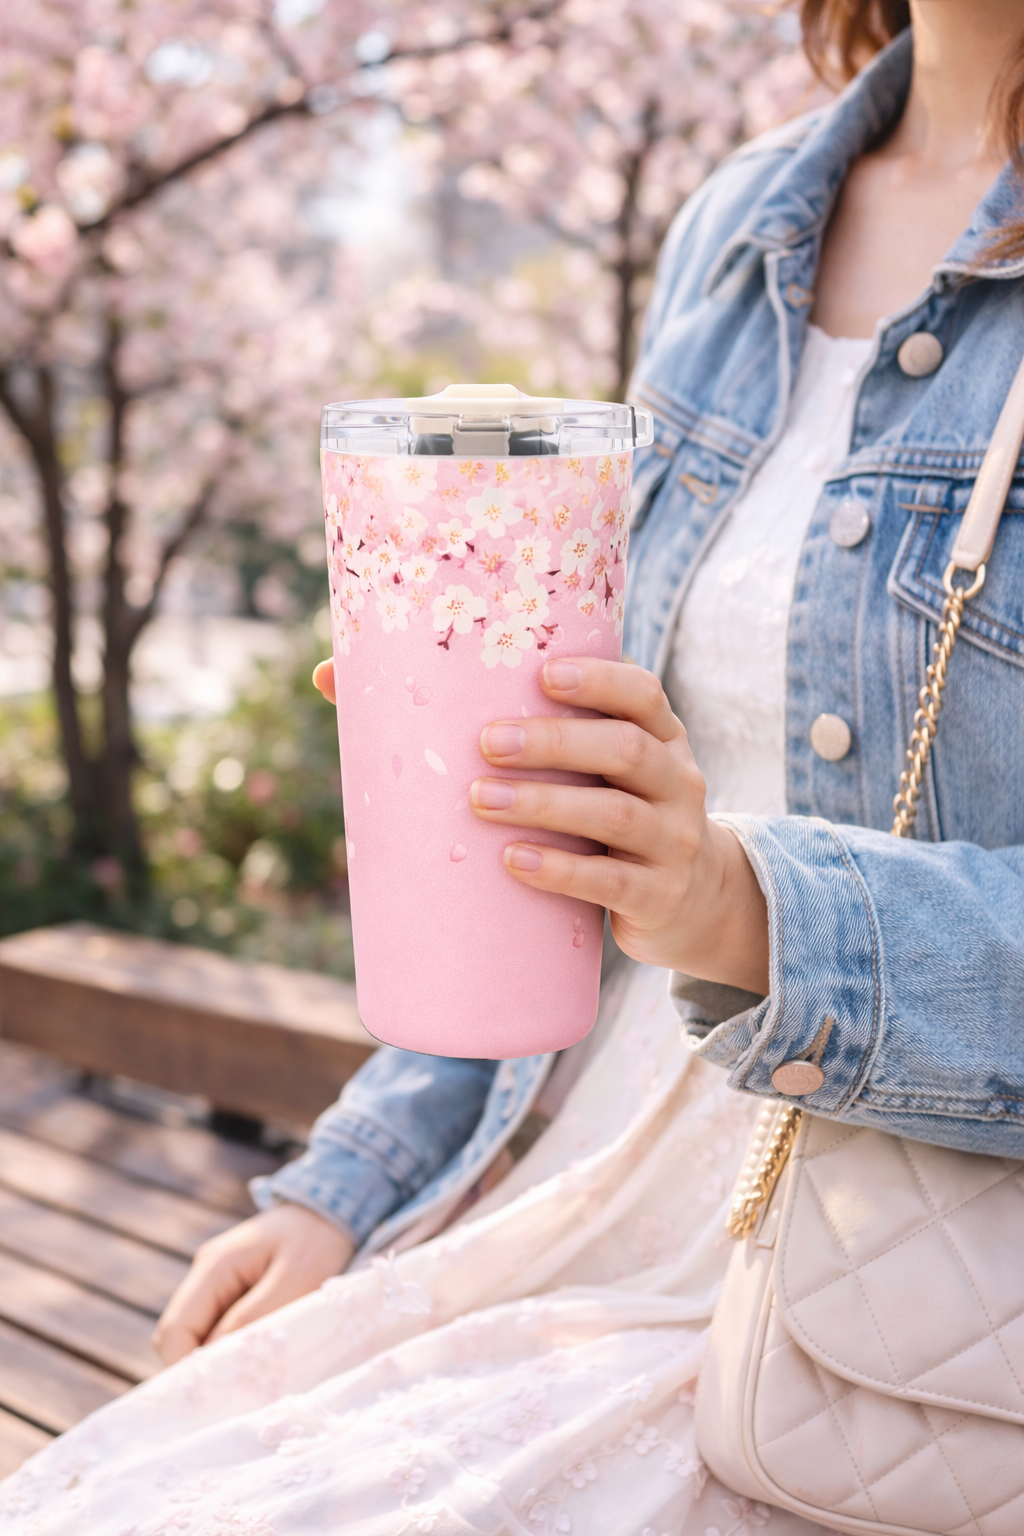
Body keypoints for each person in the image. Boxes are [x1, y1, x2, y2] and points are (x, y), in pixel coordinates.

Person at [4, 1, 1022, 1530]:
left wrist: (745, 906)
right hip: (559, 1187)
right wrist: (357, 1178)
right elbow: (573, 790)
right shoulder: (743, 222)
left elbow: (699, 878)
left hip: (893, 1295)